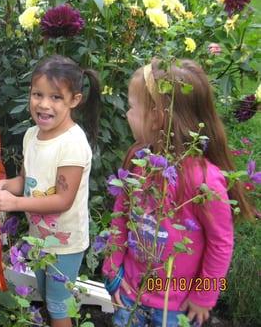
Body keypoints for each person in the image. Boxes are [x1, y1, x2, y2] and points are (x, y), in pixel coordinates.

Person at [102, 59, 254, 327]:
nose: (127, 113)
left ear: (157, 116)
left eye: (132, 107)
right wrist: (113, 269)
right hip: (130, 296)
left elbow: (221, 242)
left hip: (177, 309)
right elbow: (120, 218)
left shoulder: (203, 180)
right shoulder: (139, 162)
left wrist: (204, 296)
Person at [0, 55, 101, 327]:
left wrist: (15, 203)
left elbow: (63, 200)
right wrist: (1, 186)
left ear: (74, 100)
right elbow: (27, 181)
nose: (44, 104)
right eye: (38, 94)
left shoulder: (71, 143)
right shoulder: (31, 136)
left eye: (56, 97)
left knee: (59, 306)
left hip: (65, 243)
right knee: (48, 297)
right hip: (39, 240)